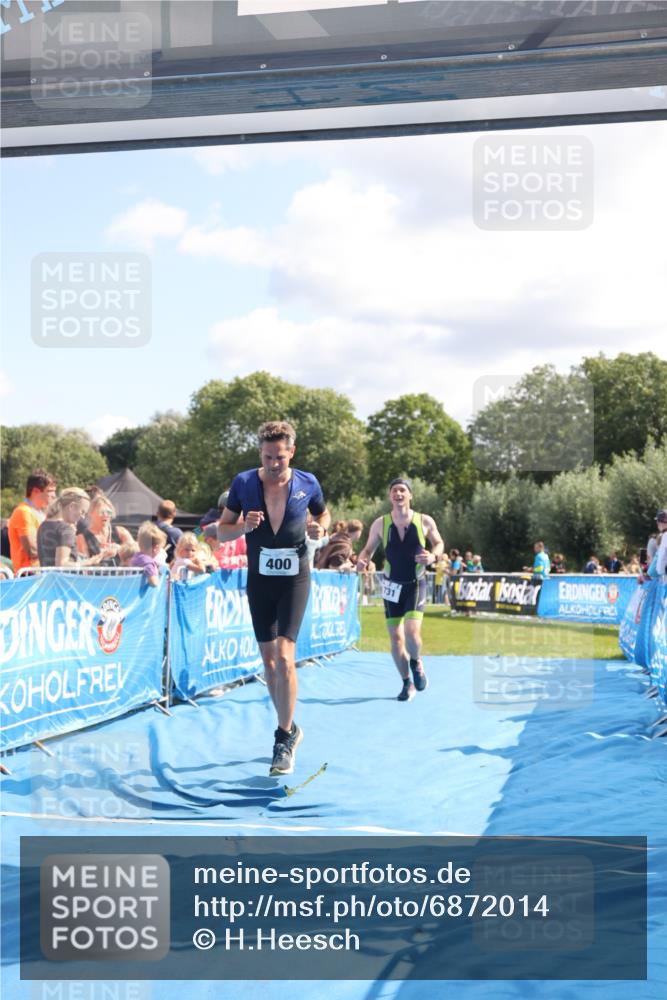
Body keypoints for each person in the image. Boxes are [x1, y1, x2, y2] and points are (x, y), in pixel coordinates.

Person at [217, 420, 330, 776]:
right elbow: (221, 532)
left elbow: (323, 513)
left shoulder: (308, 483)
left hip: (295, 578)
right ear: (260, 454)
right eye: (267, 457)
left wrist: (321, 528)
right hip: (260, 579)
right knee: (268, 663)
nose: (273, 463)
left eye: (280, 457)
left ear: (291, 452)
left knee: (284, 656)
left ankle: (282, 738)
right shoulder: (243, 483)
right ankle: (291, 727)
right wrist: (243, 527)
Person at [356, 478, 444, 701]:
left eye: (402, 490)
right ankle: (407, 683)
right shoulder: (380, 523)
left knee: (411, 633)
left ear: (410, 495)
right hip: (391, 586)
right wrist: (362, 560)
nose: (398, 493)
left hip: (415, 583)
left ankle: (416, 661)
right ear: (390, 496)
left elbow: (439, 543)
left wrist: (433, 556)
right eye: (394, 490)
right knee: (396, 639)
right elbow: (367, 550)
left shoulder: (424, 520)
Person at [37, 488, 114, 567]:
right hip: (65, 575)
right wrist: (89, 562)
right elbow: (62, 565)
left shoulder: (43, 525)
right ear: (72, 506)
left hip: (46, 575)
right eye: (82, 512)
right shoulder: (65, 529)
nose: (83, 517)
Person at [8, 469, 57, 571]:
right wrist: (60, 550)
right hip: (29, 576)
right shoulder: (23, 512)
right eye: (50, 491)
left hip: (42, 573)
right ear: (35, 491)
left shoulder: (41, 513)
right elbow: (32, 550)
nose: (54, 495)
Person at [77, 495, 133, 566]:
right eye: (102, 512)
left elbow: (136, 551)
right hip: (97, 572)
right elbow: (84, 564)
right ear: (91, 513)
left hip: (121, 572)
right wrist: (103, 555)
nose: (105, 515)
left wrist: (120, 549)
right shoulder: (82, 537)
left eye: (109, 512)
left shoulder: (121, 531)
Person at [130, 521, 167, 586]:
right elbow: (154, 583)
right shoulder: (148, 562)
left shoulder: (137, 556)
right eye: (160, 548)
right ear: (155, 548)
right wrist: (160, 577)